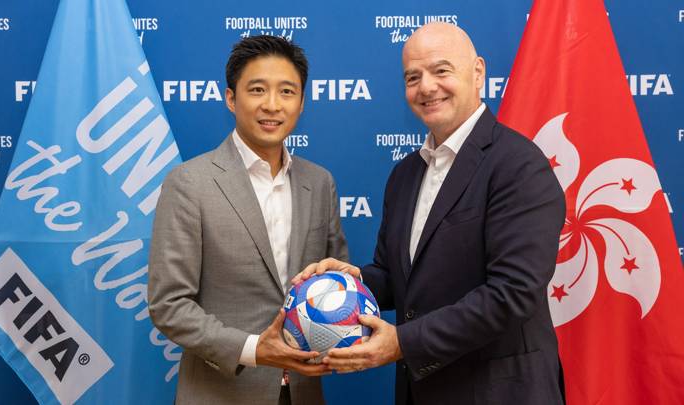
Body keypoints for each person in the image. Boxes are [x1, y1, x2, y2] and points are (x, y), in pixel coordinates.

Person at [293, 22, 566, 405]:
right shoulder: (405, 175)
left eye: (441, 71)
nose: (426, 87)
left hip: (500, 391)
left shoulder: (519, 165)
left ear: (478, 73)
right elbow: (396, 276)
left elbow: (513, 293)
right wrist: (350, 282)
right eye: (413, 77)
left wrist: (403, 342)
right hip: (421, 392)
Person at [148, 35, 348, 405]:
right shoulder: (190, 183)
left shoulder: (320, 183)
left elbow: (337, 280)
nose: (272, 105)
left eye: (287, 92)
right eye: (257, 89)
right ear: (230, 98)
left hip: (304, 393)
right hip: (221, 394)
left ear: (302, 102)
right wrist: (254, 349)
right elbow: (169, 305)